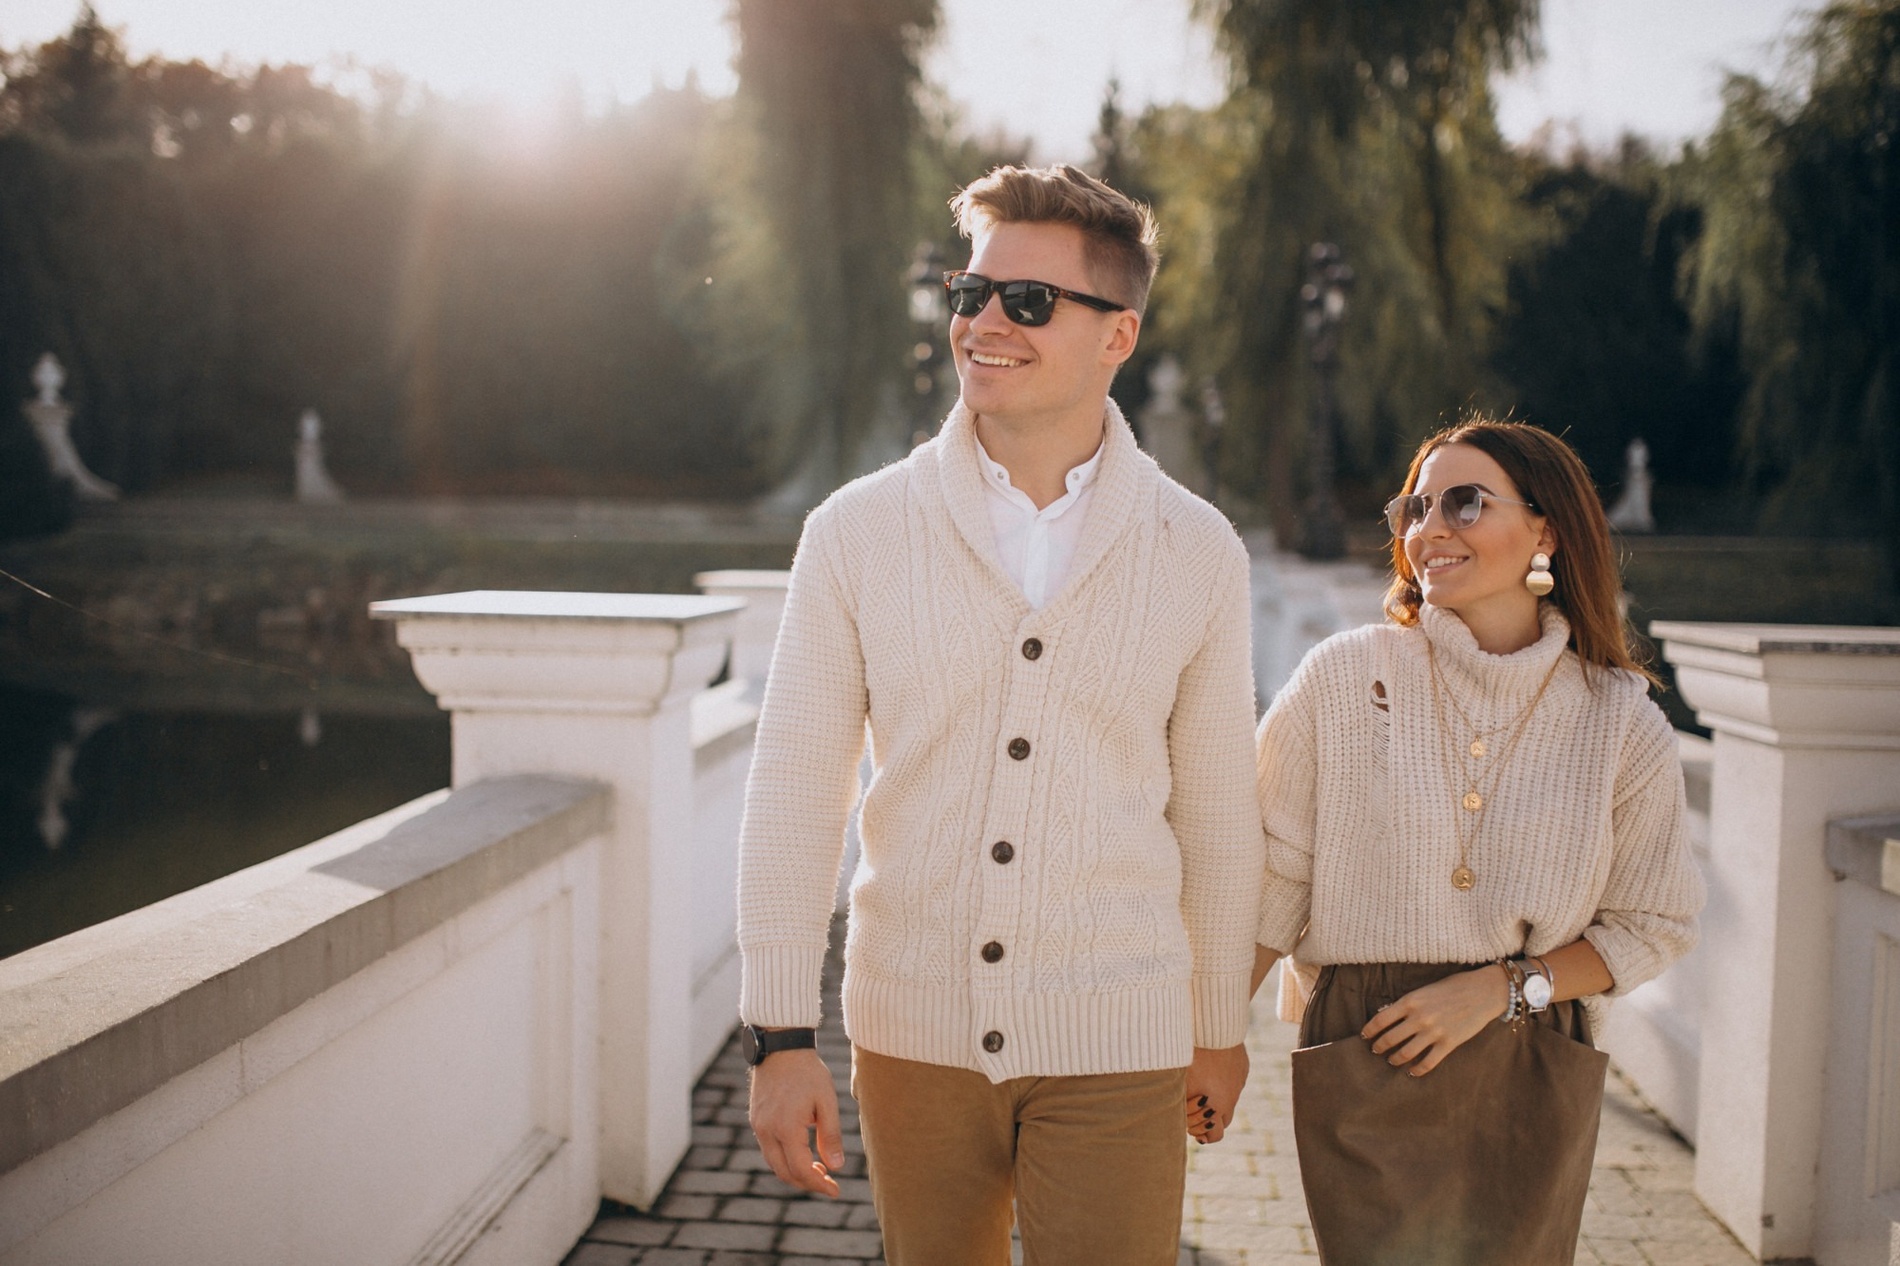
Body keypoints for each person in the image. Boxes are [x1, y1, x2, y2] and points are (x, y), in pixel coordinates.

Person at [736, 164, 1265, 1266]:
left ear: (1116, 336)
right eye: (968, 292)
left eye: (1028, 302)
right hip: (909, 1031)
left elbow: (1218, 816)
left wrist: (1217, 1025)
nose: (985, 322)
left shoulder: (1198, 550)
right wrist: (779, 1036)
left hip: (1121, 1036)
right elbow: (796, 789)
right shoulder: (853, 534)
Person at [1240, 419, 1704, 1265]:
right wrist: (1207, 1041)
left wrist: (1504, 988)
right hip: (1365, 1039)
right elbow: (1275, 880)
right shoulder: (1346, 677)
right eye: (1415, 506)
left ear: (1546, 530)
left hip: (1531, 1051)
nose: (1429, 530)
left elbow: (1652, 924)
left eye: (1465, 502)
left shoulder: (1620, 722)